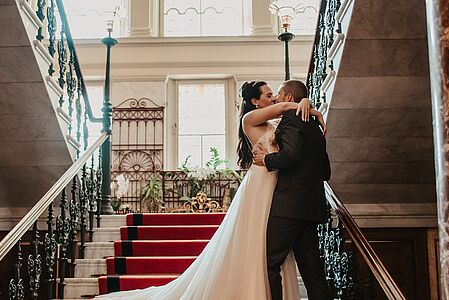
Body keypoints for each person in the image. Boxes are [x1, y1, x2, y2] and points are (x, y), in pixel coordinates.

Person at [95, 80, 325, 299]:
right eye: (268, 95)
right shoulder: (250, 118)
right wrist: (307, 105)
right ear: (255, 101)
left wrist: (303, 106)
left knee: (272, 252)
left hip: (279, 186)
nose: (273, 97)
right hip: (262, 182)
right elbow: (286, 105)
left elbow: (293, 145)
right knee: (263, 248)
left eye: (275, 94)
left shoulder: (279, 122)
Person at [253, 80, 331, 300]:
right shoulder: (315, 126)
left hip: (289, 207)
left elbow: (291, 155)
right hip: (311, 208)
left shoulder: (291, 118)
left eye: (278, 94)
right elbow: (325, 172)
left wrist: (266, 159)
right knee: (313, 272)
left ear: (288, 98)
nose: (275, 98)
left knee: (270, 263)